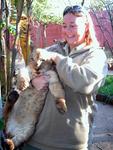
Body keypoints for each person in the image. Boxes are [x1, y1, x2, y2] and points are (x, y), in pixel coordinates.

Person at [22, 5, 108, 150]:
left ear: (86, 26)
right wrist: (32, 79)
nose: (67, 31)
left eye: (73, 26)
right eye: (64, 25)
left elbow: (84, 82)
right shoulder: (54, 48)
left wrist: (57, 59)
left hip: (69, 142)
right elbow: (28, 67)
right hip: (35, 138)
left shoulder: (96, 56)